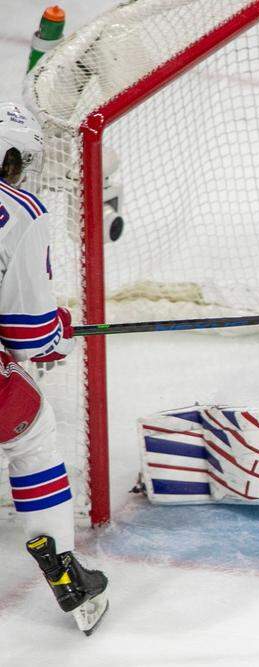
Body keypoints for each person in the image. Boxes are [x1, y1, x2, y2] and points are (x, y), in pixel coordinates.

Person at [0, 102, 108, 634]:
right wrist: (52, 332)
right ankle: (66, 573)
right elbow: (26, 334)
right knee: (31, 436)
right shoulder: (21, 210)